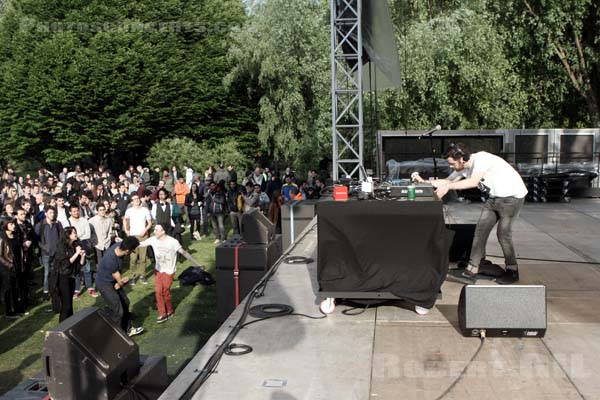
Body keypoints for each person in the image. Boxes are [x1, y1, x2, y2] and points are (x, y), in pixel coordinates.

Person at [422, 143, 528, 285]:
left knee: (503, 235)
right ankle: (471, 270)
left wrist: (447, 187)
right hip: (494, 198)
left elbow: (472, 182)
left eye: (452, 164)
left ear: (461, 159)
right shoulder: (464, 166)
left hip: (512, 198)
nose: (451, 167)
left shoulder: (481, 159)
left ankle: (512, 270)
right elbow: (448, 180)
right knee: (480, 232)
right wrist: (425, 182)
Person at [138, 224, 204, 323]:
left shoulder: (173, 242)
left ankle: (169, 311)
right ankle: (162, 314)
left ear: (163, 231)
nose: (154, 231)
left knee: (165, 292)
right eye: (154, 230)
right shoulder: (153, 239)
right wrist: (122, 242)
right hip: (158, 270)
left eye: (156, 230)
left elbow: (184, 253)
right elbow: (140, 244)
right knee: (158, 292)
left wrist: (198, 264)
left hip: (169, 271)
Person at [95, 236, 144, 337]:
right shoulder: (111, 259)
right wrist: (123, 281)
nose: (132, 253)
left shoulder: (119, 246)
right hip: (105, 284)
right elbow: (119, 280)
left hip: (112, 280)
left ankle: (128, 328)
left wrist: (118, 282)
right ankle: (117, 336)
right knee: (118, 310)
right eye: (132, 251)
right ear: (127, 251)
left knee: (125, 302)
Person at [53, 227, 86, 322]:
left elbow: (79, 265)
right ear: (68, 235)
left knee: (70, 305)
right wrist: (76, 253)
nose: (76, 234)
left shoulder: (75, 245)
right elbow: (65, 264)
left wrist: (82, 256)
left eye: (75, 232)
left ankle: (70, 325)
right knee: (66, 306)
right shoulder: (61, 247)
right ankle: (61, 327)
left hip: (71, 277)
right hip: (62, 278)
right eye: (73, 233)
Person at [34, 206, 63, 299]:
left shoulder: (58, 224)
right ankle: (46, 291)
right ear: (46, 213)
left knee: (56, 271)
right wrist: (44, 247)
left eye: (53, 212)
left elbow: (61, 237)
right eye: (50, 212)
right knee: (47, 273)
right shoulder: (40, 225)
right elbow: (36, 239)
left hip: (56, 252)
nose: (52, 214)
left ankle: (55, 289)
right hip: (46, 253)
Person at [123, 194, 152, 285]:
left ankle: (143, 275)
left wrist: (145, 230)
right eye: (134, 199)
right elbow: (125, 219)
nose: (136, 200)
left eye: (137, 198)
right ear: (131, 202)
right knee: (133, 258)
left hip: (143, 236)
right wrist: (126, 230)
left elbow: (150, 223)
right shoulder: (129, 211)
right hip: (132, 237)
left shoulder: (145, 210)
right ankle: (133, 276)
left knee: (143, 258)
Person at [0, 218, 23, 318]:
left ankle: (17, 308)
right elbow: (0, 255)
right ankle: (8, 311)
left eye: (14, 224)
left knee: (15, 288)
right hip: (6, 268)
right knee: (8, 289)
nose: (14, 225)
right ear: (6, 225)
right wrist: (9, 265)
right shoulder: (2, 238)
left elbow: (18, 251)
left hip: (17, 265)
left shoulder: (15, 236)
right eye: (11, 224)